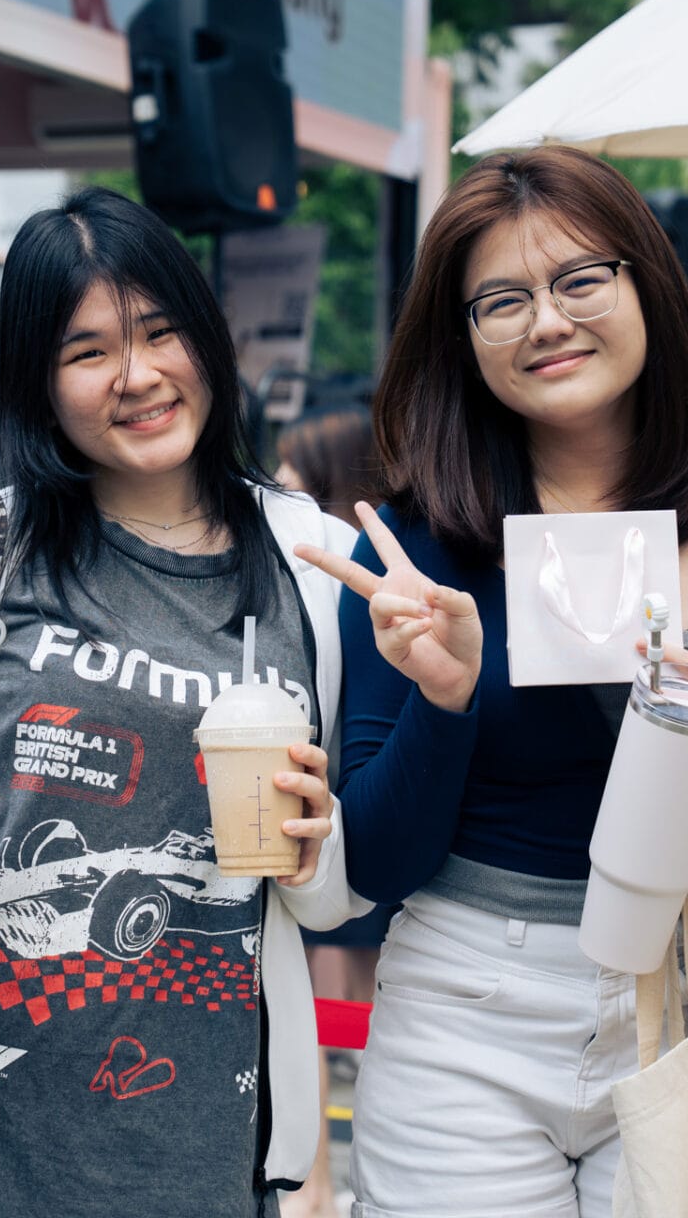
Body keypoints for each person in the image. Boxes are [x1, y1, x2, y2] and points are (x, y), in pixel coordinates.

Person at [294, 146, 688, 1217]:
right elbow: (374, 862)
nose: (547, 322)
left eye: (580, 280)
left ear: (647, 284)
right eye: (501, 301)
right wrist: (446, 698)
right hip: (464, 1001)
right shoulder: (414, 548)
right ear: (462, 337)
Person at [0, 187, 360, 1215]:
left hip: (203, 1154)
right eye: (88, 351)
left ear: (207, 338)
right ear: (39, 384)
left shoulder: (311, 560)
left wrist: (317, 847)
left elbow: (331, 902)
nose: (138, 375)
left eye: (160, 331)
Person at [273, 405, 385, 1218]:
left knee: (316, 1018)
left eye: (295, 481)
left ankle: (318, 1189)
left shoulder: (339, 577)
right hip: (341, 821)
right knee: (333, 1017)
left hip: (335, 822)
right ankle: (322, 1187)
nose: (277, 492)